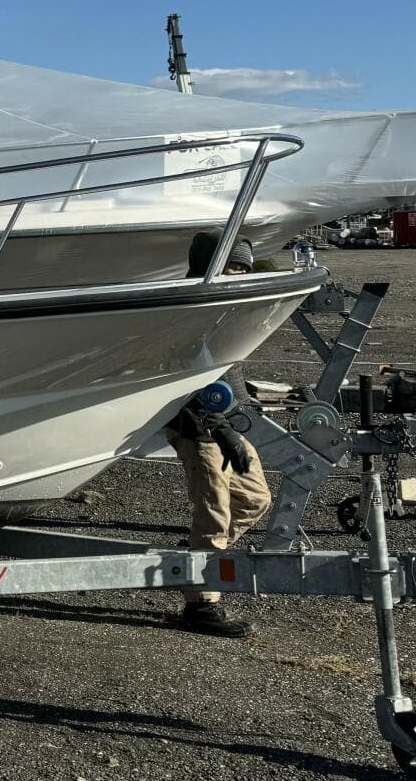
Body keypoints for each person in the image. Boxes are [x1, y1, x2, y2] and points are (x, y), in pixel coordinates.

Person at [166, 233, 271, 637]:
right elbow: (184, 380)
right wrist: (222, 430)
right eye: (232, 265)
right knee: (214, 514)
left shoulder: (225, 306)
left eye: (244, 266)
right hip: (200, 430)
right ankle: (201, 607)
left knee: (256, 499)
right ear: (208, 264)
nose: (240, 273)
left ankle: (194, 560)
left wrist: (240, 417)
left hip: (230, 423)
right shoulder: (192, 309)